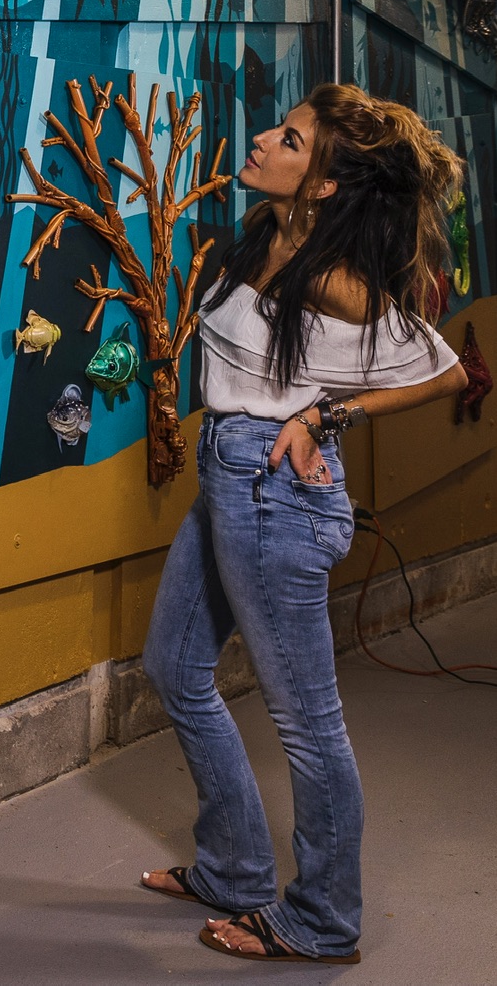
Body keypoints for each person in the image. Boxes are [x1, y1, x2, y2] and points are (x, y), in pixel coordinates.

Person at [139, 85, 468, 965]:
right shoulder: (265, 239)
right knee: (173, 668)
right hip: (229, 479)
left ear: (321, 186)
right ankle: (234, 867)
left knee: (307, 725)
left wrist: (326, 417)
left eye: (286, 139)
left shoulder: (332, 278)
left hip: (273, 493)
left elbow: (441, 372)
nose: (260, 140)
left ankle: (323, 920)